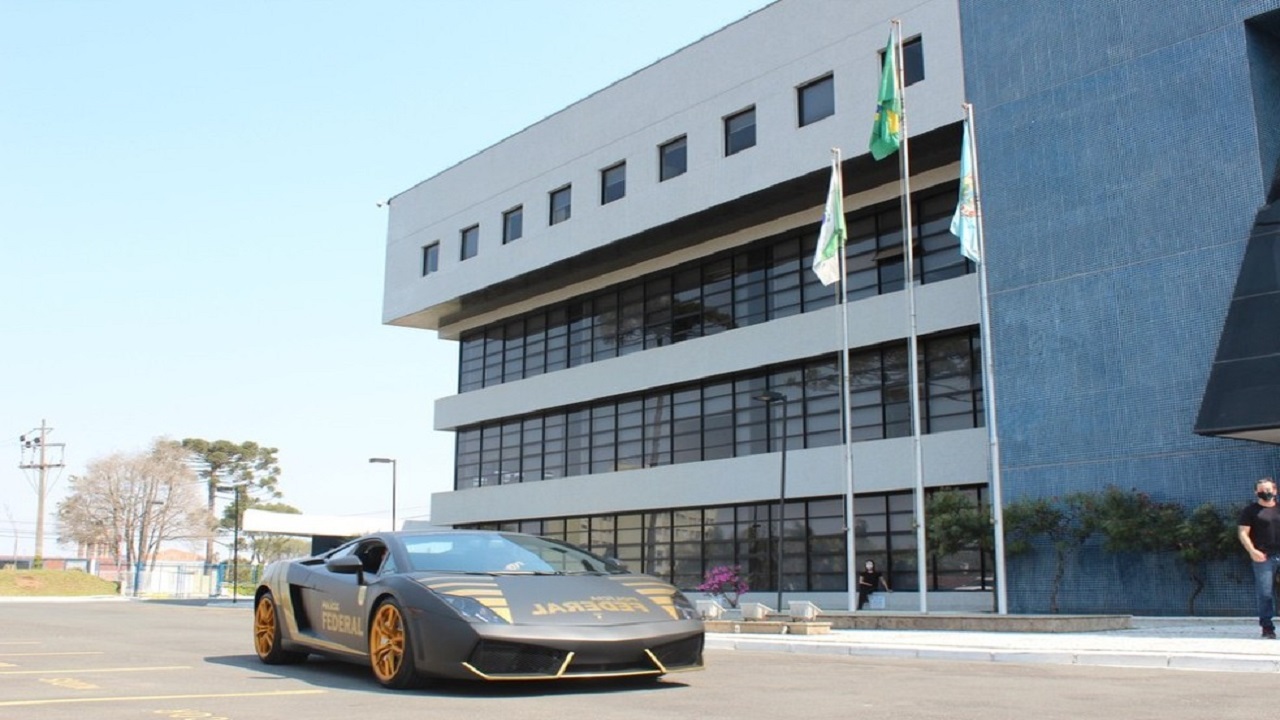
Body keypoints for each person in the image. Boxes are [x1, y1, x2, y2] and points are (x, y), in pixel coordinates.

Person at [1238, 477, 1280, 639]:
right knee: (1265, 593)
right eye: (1262, 490)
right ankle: (1267, 628)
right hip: (1263, 556)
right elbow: (1243, 533)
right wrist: (1252, 551)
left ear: (1275, 491)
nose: (1266, 492)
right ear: (1256, 492)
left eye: (1269, 489)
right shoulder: (1250, 511)